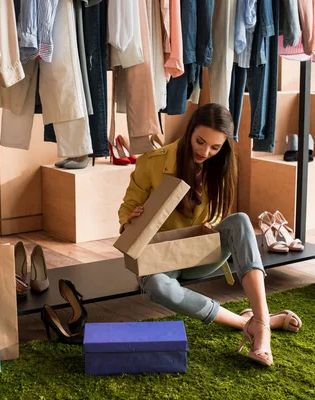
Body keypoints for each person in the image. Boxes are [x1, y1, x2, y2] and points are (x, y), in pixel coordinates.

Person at [118, 103, 302, 367]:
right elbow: (126, 207)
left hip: (199, 253)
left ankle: (261, 325)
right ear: (191, 130)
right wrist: (130, 219)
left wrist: (212, 225)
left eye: (215, 147)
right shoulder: (152, 162)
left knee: (239, 221)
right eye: (200, 142)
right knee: (158, 287)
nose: (205, 152)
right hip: (158, 259)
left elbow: (219, 212)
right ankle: (247, 322)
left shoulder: (222, 165)